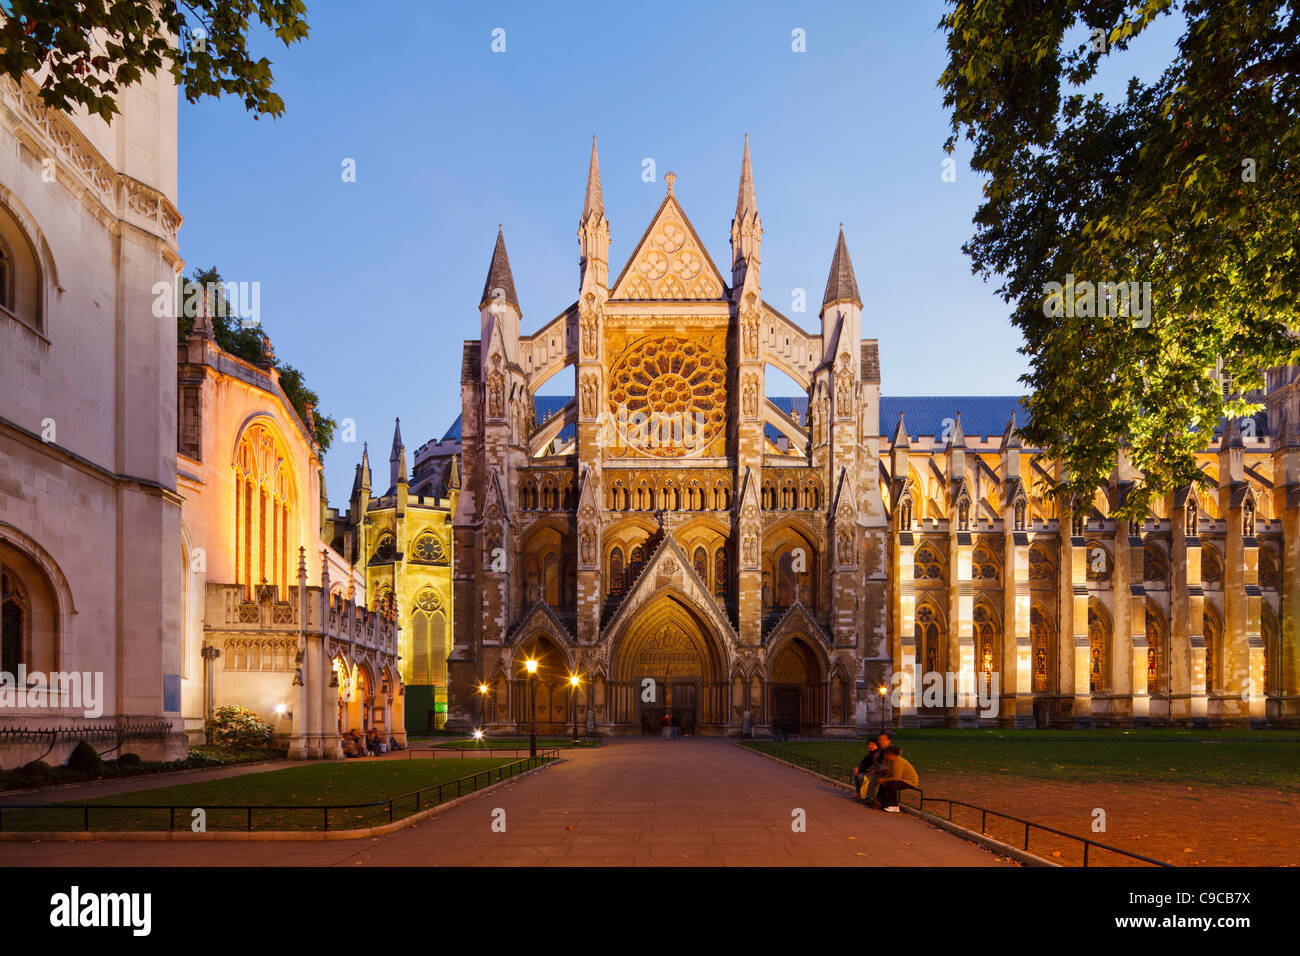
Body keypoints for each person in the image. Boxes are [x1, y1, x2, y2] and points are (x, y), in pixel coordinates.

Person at [876, 745, 920, 812]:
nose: (885, 755)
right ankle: (881, 801)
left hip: (910, 781)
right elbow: (890, 774)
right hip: (901, 779)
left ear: (891, 754)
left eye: (887, 754)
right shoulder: (891, 761)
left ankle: (894, 806)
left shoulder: (898, 761)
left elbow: (896, 778)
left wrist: (884, 780)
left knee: (892, 785)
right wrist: (883, 779)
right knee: (884, 783)